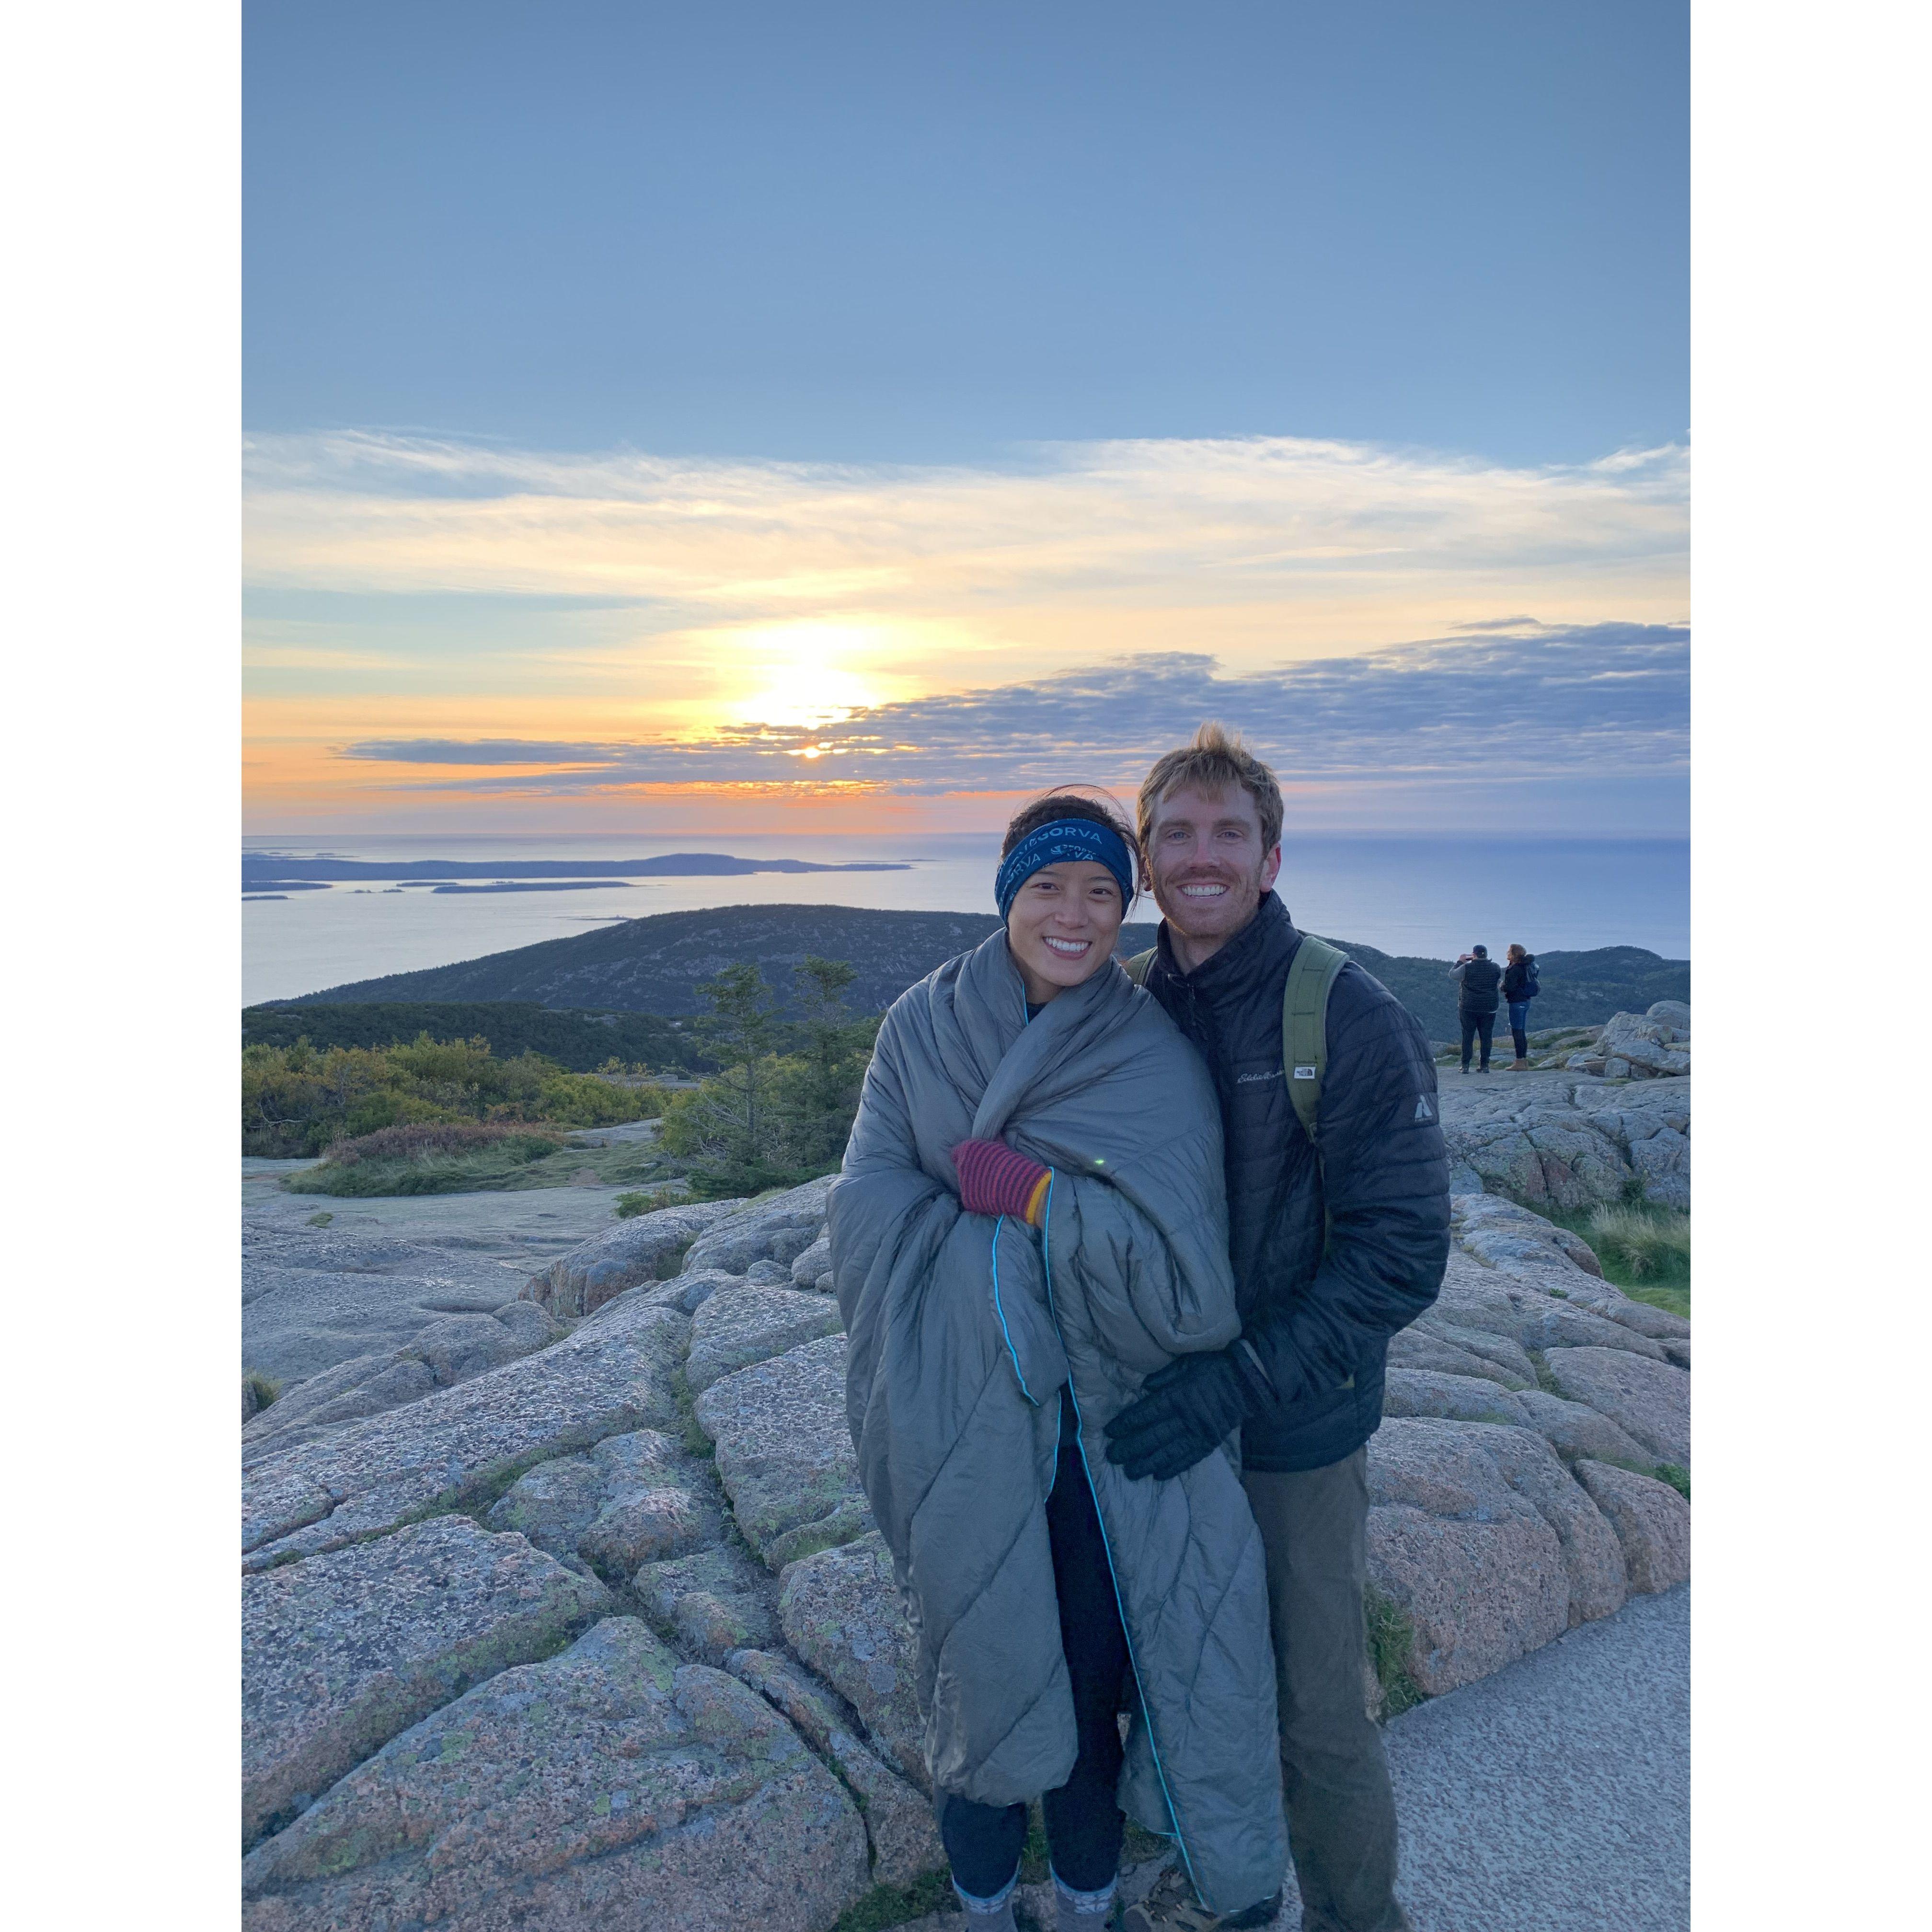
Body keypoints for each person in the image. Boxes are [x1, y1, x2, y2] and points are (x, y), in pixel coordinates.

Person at [829, 789, 1288, 1932]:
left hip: (1099, 1436)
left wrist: (1030, 1197)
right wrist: (997, 1250)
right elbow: (866, 1210)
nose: (1075, 916)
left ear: (1125, 907)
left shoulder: (1150, 1055)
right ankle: (984, 1900)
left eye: (1101, 892)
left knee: (1088, 1681)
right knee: (974, 1659)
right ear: (1007, 897)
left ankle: (1087, 1898)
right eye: (1048, 888)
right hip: (958, 1418)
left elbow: (1188, 1284)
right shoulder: (919, 1027)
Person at [1102, 724, 1450, 1932]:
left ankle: (1360, 1919)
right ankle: (1213, 1895)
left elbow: (1402, 1257)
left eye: (1228, 834)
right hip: (1159, 1421)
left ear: (1272, 855)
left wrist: (1236, 1382)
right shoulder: (1124, 1007)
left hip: (1294, 1432)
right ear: (1147, 864)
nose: (1203, 857)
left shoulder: (1345, 1014)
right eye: (1177, 835)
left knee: (1317, 1712)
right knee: (1179, 1685)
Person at [1449, 944, 1503, 1074]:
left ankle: (1465, 1065)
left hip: (1469, 1007)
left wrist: (1460, 962)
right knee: (1486, 1036)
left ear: (1474, 955)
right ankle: (1484, 1065)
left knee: (1468, 1036)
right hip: (1489, 1007)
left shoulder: (1466, 968)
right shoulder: (1495, 967)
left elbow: (1453, 975)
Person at [1500, 943, 1540, 1070]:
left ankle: (1520, 1062)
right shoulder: (1527, 965)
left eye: (1509, 951)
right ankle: (1523, 1060)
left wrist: (1502, 986)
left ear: (1513, 954)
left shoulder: (1516, 968)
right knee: (1521, 1032)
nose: (1507, 953)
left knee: (1517, 1032)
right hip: (1525, 1001)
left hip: (1517, 1002)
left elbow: (1510, 987)